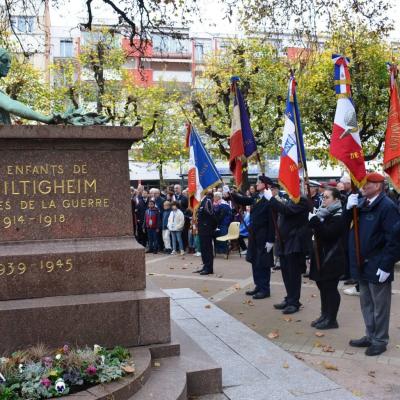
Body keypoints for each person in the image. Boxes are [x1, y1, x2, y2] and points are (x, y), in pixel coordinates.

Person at [346, 172, 400, 356]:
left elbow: (394, 240)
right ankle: (370, 335)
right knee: (366, 304)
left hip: (378, 265)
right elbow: (349, 229)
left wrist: (386, 266)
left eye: (367, 183)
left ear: (378, 186)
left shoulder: (387, 207)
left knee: (380, 307)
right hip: (362, 264)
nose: (363, 185)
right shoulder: (361, 204)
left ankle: (380, 340)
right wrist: (349, 209)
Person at [265, 187, 310, 314]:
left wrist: (272, 199)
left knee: (293, 274)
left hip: (294, 242)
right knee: (286, 273)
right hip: (284, 242)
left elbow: (287, 211)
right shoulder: (290, 199)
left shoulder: (302, 201)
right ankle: (289, 298)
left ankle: (294, 302)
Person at [231, 176, 275, 299]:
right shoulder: (256, 197)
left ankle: (265, 289)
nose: (256, 184)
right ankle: (258, 286)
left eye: (259, 182)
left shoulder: (270, 200)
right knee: (255, 261)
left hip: (264, 235)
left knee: (263, 263)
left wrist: (271, 240)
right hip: (254, 234)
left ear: (266, 185)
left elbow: (273, 221)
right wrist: (232, 194)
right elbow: (244, 200)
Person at [308, 188, 345, 329]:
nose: (324, 200)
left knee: (330, 288)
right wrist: (314, 220)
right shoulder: (323, 212)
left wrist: (316, 221)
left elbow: (329, 234)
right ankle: (324, 315)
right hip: (320, 255)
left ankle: (332, 319)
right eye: (323, 197)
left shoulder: (339, 214)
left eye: (327, 197)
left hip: (332, 257)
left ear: (336, 199)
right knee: (322, 286)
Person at [194, 190, 218, 275]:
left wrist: (211, 227)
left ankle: (209, 268)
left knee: (207, 249)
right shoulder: (202, 201)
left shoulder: (207, 200)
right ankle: (205, 266)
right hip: (202, 229)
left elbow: (212, 215)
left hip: (207, 229)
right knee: (203, 249)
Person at [213, 192, 233, 256]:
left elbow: (221, 216)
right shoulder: (220, 203)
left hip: (223, 223)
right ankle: (219, 250)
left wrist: (216, 222)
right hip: (221, 223)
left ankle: (225, 251)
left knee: (223, 236)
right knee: (218, 236)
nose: (213, 198)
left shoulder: (223, 205)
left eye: (214, 197)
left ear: (218, 197)